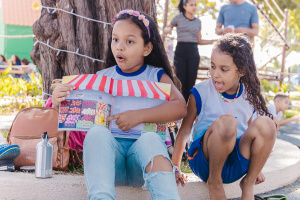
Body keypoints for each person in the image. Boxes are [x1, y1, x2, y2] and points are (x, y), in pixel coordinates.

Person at [52, 9, 187, 200]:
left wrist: (138, 116)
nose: (119, 47)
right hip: (108, 165)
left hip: (141, 165)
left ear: (147, 48)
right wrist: (60, 102)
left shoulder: (156, 76)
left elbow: (180, 107)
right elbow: (77, 119)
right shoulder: (101, 78)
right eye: (115, 39)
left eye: (129, 41)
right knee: (97, 132)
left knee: (150, 139)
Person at [172, 33, 276, 200]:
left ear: (241, 70)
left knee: (267, 124)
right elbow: (184, 130)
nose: (215, 74)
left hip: (235, 162)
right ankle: (215, 182)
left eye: (223, 69)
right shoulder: (200, 92)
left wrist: (256, 169)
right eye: (212, 67)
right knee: (228, 122)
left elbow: (252, 133)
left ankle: (247, 184)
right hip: (204, 160)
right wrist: (175, 167)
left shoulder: (249, 96)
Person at [164, 0, 216, 102]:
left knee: (191, 82)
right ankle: (179, 106)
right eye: (191, 5)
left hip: (193, 53)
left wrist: (214, 41)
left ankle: (189, 109)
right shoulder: (178, 18)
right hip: (180, 52)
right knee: (180, 81)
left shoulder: (198, 22)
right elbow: (167, 28)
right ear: (184, 6)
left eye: (195, 5)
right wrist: (167, 30)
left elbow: (199, 40)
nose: (194, 7)